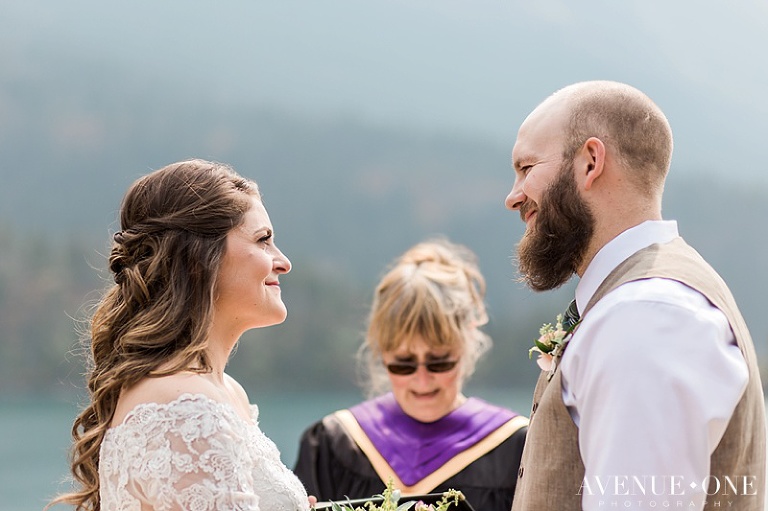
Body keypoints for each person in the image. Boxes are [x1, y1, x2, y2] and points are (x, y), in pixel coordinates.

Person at [504, 80, 766, 510]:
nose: (513, 196)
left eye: (527, 168)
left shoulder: (644, 318)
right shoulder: (643, 305)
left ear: (590, 162)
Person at [49, 159, 312, 511]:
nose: (283, 261)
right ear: (200, 258)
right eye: (263, 240)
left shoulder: (224, 392)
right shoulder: (187, 406)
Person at [293, 239, 528, 511]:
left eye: (439, 362)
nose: (422, 379)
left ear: (467, 349)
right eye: (403, 364)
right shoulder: (335, 444)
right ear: (382, 354)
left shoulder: (515, 447)